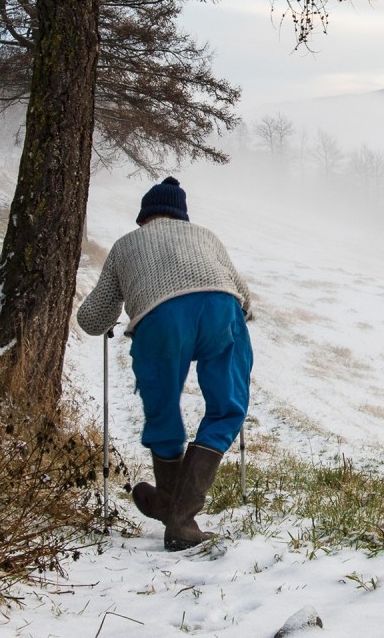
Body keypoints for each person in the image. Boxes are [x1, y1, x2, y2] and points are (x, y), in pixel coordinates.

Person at [76, 177, 254, 551]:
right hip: (222, 309)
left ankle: (177, 515)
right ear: (182, 217)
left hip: (161, 319)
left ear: (144, 218)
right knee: (226, 408)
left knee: (164, 414)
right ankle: (179, 516)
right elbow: (244, 295)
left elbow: (92, 320)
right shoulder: (206, 236)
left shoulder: (127, 245)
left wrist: (114, 312)